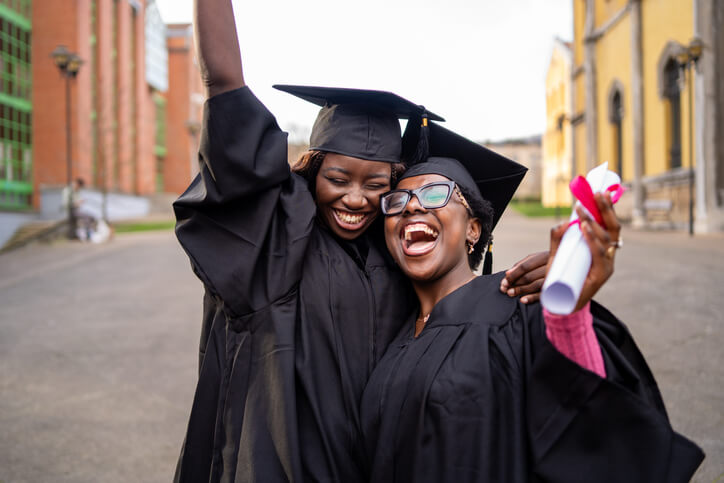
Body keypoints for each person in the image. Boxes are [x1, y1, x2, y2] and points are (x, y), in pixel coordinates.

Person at [173, 1, 548, 481]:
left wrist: (551, 283)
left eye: (377, 186)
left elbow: (461, 303)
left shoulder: (395, 257)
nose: (356, 199)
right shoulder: (277, 239)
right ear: (311, 170)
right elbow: (226, 90)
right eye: (338, 177)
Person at [360, 123, 705, 482]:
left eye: (435, 194)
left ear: (473, 229)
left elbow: (588, 421)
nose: (412, 206)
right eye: (397, 201)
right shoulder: (391, 338)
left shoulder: (518, 305)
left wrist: (568, 315)